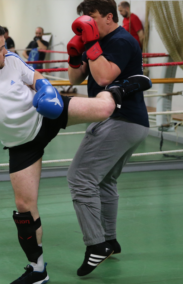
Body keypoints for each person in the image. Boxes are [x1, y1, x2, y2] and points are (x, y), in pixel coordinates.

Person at [0, 21, 151, 284]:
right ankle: (37, 270)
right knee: (24, 209)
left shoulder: (12, 60)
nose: (6, 52)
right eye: (1, 48)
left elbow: (35, 77)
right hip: (21, 145)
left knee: (104, 110)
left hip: (46, 114)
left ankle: (122, 88)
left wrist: (45, 88)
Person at [67, 0, 150, 277]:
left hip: (121, 120)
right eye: (84, 20)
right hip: (123, 122)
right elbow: (77, 78)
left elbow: (103, 77)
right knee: (104, 181)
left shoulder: (121, 40)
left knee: (80, 178)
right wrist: (75, 55)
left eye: (91, 18)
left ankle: (96, 245)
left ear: (109, 17)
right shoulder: (98, 42)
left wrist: (90, 45)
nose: (87, 24)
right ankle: (110, 241)